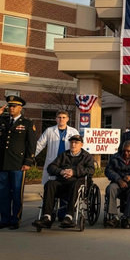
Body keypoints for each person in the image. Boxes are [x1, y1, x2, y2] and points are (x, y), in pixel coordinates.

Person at [33, 135, 94, 229]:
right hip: (62, 182)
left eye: (76, 143)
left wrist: (74, 172)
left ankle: (69, 216)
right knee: (50, 184)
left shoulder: (86, 156)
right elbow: (51, 167)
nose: (73, 145)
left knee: (75, 185)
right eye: (71, 142)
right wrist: (61, 171)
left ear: (81, 144)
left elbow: (90, 170)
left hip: (77, 182)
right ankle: (47, 216)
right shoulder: (64, 155)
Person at [0, 96, 37, 230]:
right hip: (2, 163)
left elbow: (31, 144)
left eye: (14, 106)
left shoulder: (27, 123)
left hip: (18, 164)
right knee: (3, 193)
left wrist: (28, 161)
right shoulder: (2, 120)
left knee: (16, 192)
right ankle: (4, 219)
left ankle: (15, 219)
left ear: (20, 108)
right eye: (10, 106)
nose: (11, 108)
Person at [36, 110, 79, 185]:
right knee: (51, 183)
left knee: (67, 182)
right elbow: (39, 145)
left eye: (63, 117)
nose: (61, 119)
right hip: (54, 161)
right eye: (59, 117)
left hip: (68, 161)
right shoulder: (49, 130)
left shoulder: (73, 131)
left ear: (67, 119)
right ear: (56, 119)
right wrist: (29, 157)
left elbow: (79, 146)